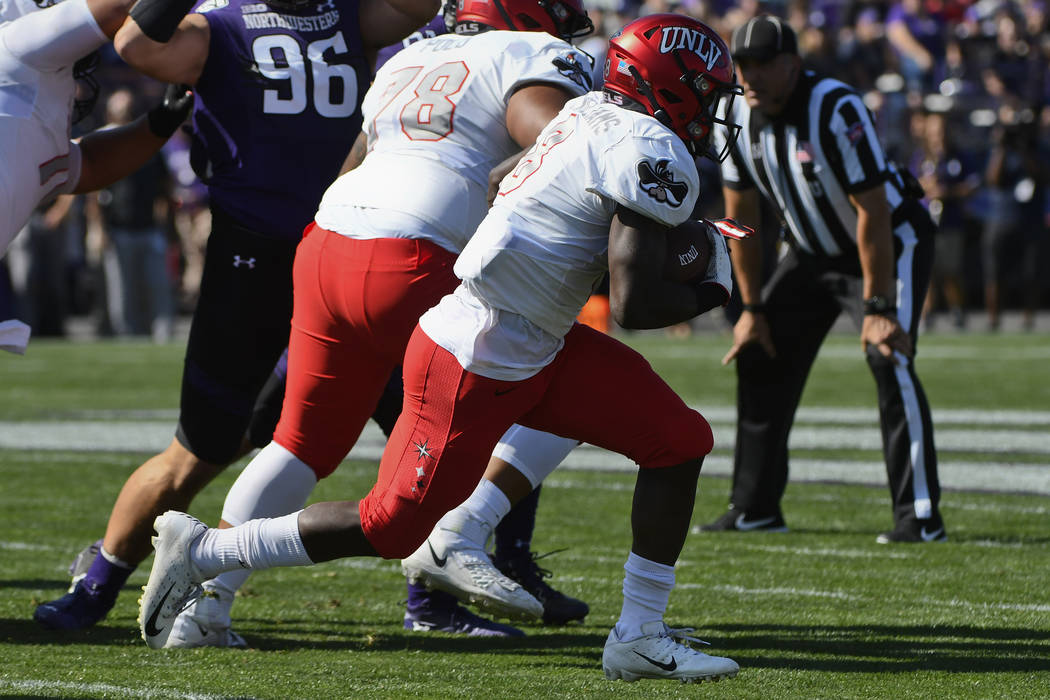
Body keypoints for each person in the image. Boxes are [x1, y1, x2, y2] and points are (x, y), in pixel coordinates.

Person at [139, 12, 744, 684]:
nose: (716, 112)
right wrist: (712, 288)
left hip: (524, 334)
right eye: (710, 93)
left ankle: (639, 634)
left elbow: (500, 179)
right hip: (478, 354)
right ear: (677, 87)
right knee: (391, 525)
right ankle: (209, 548)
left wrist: (552, 246)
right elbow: (634, 307)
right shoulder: (643, 144)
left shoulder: (589, 113)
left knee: (678, 439)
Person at [159, 0, 595, 647]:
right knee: (567, 386)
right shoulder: (525, 53)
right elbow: (563, 148)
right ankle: (456, 540)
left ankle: (205, 607)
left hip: (330, 242)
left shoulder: (412, 57)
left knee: (300, 443)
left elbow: (355, 163)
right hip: (414, 255)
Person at [33, 0, 440, 630]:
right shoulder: (221, 25)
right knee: (198, 450)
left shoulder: (349, 14)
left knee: (424, 427)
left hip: (343, 250)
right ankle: (97, 586)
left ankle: (432, 600)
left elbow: (417, 9)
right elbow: (137, 46)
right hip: (255, 254)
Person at [699, 15, 944, 544]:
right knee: (759, 350)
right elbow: (742, 218)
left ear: (794, 63)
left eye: (765, 63)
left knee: (889, 355)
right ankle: (755, 507)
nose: (753, 76)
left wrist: (879, 305)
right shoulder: (733, 110)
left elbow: (873, 212)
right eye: (745, 65)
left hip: (889, 240)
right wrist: (752, 310)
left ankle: (919, 516)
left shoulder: (835, 105)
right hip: (811, 252)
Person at [0, 0, 195, 256]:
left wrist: (159, 123)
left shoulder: (36, 113)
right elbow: (119, 6)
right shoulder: (13, 44)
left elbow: (88, 165)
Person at [89, 87, 178, 342]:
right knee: (122, 290)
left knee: (158, 286)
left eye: (128, 110)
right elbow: (93, 193)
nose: (124, 114)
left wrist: (165, 224)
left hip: (149, 227)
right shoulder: (103, 143)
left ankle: (163, 334)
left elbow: (165, 187)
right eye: (120, 110)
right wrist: (98, 229)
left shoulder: (149, 145)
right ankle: (128, 337)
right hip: (118, 227)